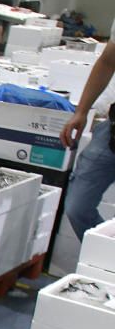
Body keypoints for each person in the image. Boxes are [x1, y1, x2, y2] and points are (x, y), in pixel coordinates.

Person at [60, 36, 115, 241]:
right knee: (77, 207)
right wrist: (81, 111)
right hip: (112, 131)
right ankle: (105, 254)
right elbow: (108, 61)